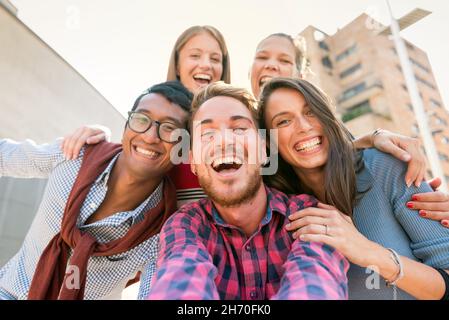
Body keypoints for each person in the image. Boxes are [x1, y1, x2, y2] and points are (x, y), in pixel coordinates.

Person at [61, 30, 448, 217]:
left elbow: (341, 151)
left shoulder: (287, 130)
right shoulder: (183, 125)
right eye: (263, 57)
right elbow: (139, 146)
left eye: (284, 62)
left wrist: (378, 137)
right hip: (177, 238)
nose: (271, 67)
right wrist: (104, 136)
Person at [147, 82, 349, 300]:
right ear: (193, 160)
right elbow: (180, 282)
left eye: (240, 129)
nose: (224, 141)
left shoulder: (308, 212)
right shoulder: (185, 226)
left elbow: (316, 279)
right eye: (207, 133)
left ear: (263, 149)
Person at [258, 77, 449, 299]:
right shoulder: (275, 209)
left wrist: (368, 252)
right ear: (267, 142)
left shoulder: (385, 167)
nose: (304, 127)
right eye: (283, 121)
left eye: (311, 112)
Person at [0, 81, 192, 300]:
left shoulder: (161, 229)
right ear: (126, 126)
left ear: (183, 150)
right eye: (141, 119)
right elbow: (4, 156)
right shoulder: (74, 155)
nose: (149, 136)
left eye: (169, 128)